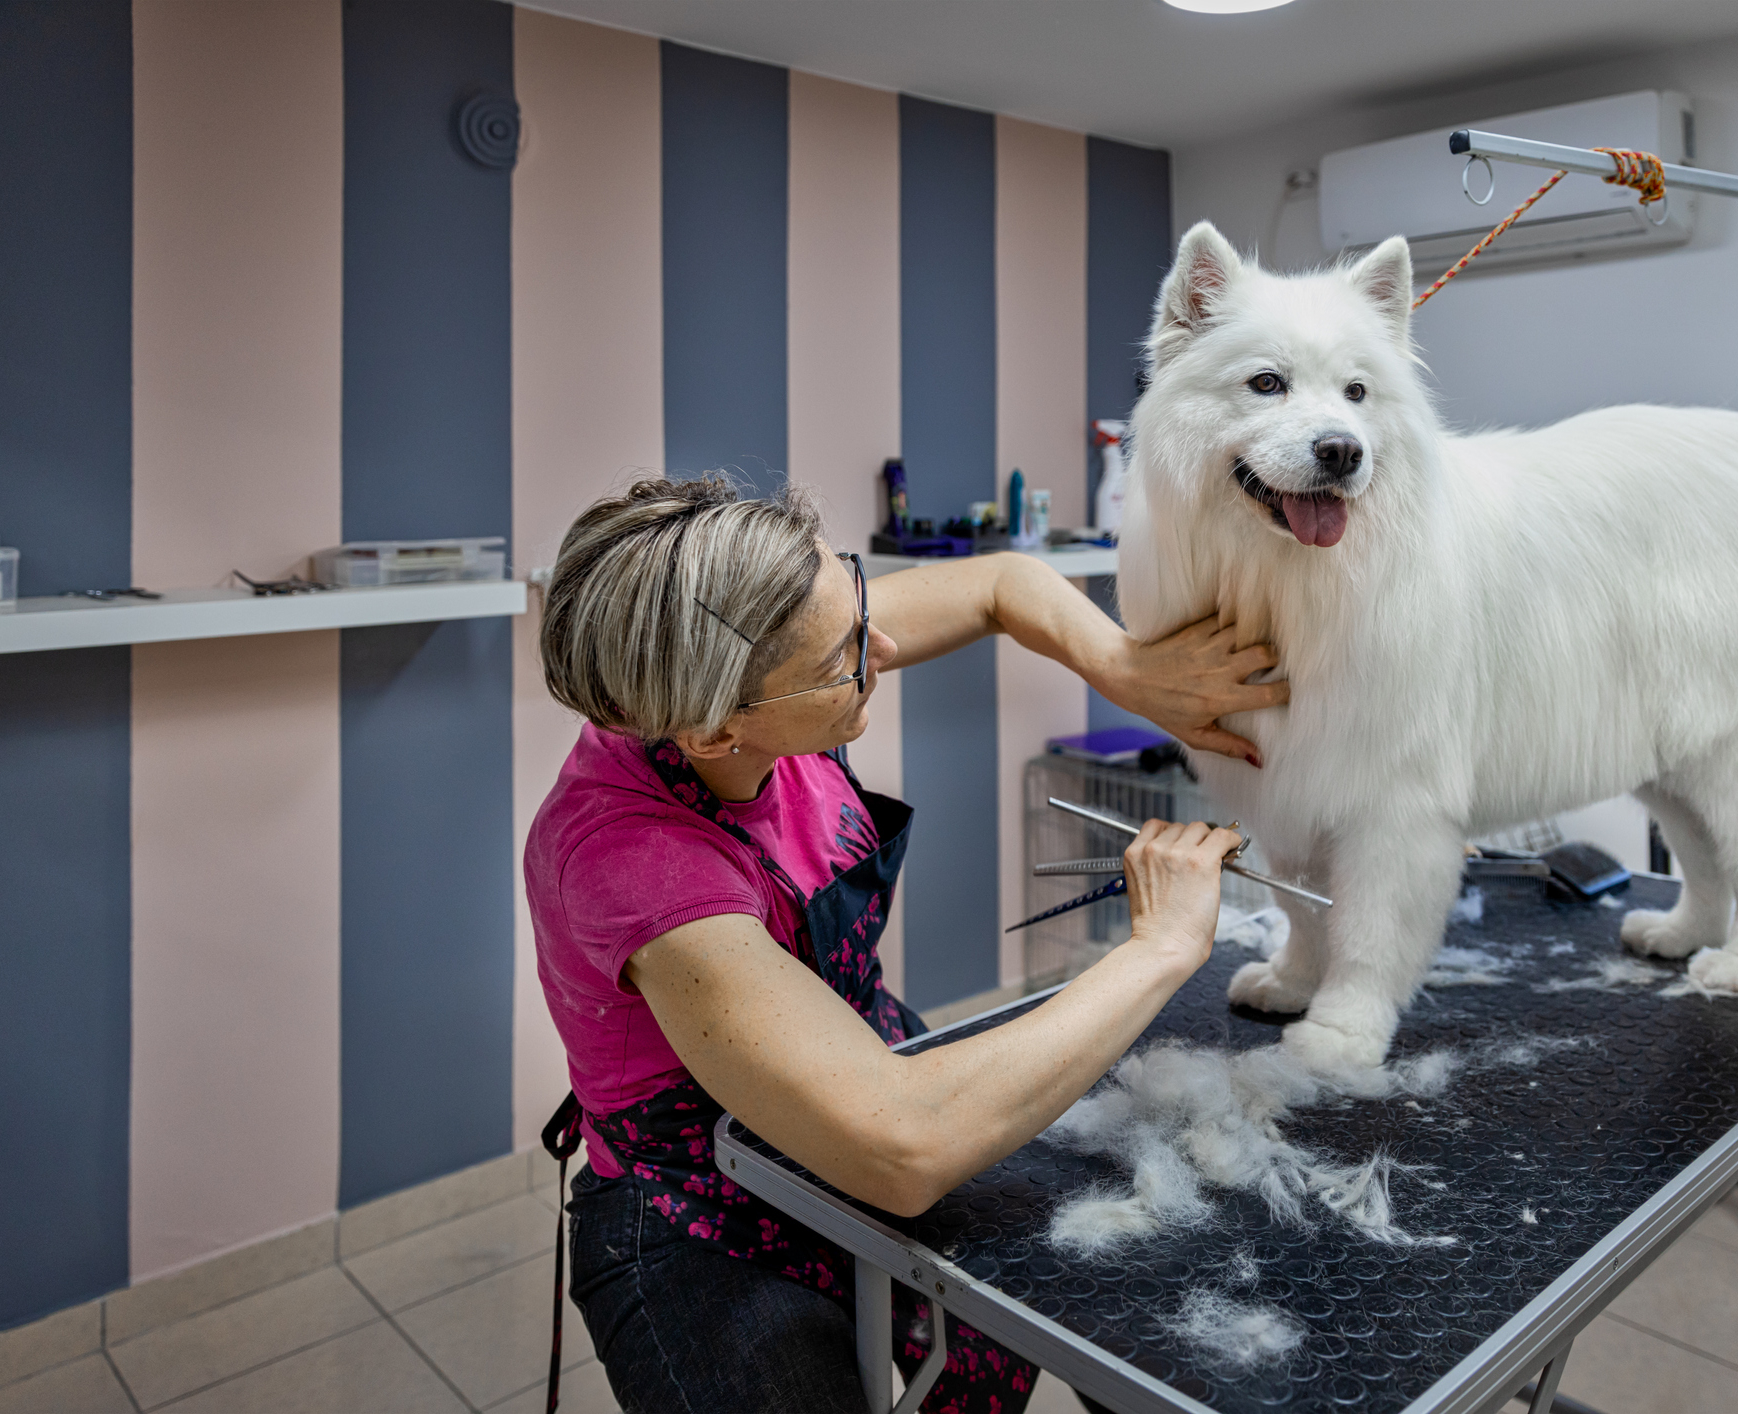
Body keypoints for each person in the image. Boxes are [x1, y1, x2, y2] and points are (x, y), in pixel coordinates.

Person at [528, 475, 1285, 1413]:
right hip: (699, 1205)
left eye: (855, 604)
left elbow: (999, 584)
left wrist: (1123, 666)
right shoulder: (634, 865)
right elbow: (906, 1144)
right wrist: (1161, 947)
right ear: (718, 729)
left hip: (868, 1061)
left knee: (1048, 1324)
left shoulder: (766, 636)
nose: (880, 646)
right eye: (846, 659)